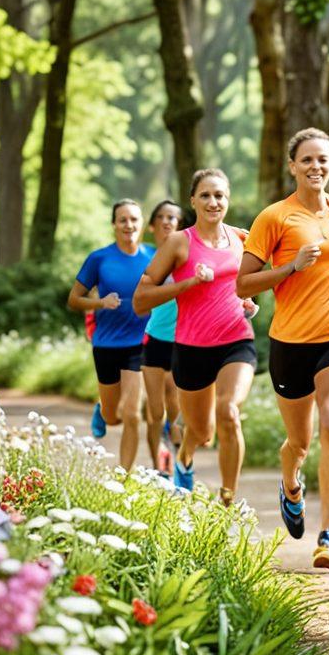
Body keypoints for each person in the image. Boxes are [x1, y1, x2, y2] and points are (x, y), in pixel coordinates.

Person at [237, 129, 329, 570]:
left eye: (323, 159)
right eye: (307, 160)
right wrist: (290, 267)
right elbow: (244, 282)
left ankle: (328, 534)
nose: (316, 167)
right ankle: (291, 483)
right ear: (292, 166)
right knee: (300, 439)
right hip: (290, 342)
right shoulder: (274, 218)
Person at [134, 170, 258, 505]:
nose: (213, 202)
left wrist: (249, 303)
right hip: (191, 347)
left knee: (229, 411)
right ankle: (184, 457)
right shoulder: (179, 243)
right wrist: (186, 285)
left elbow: (251, 284)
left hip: (237, 339)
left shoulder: (243, 239)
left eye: (219, 195)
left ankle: (227, 501)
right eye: (205, 195)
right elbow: (141, 298)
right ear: (193, 201)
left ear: (228, 199)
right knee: (202, 432)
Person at [68, 200, 154, 470]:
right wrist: (100, 303)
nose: (129, 225)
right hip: (106, 343)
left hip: (139, 343)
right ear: (114, 224)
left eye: (134, 219)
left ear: (142, 224)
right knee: (113, 416)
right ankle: (102, 409)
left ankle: (124, 478)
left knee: (131, 414)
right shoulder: (99, 258)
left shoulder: (154, 256)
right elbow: (74, 299)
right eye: (123, 220)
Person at [140, 200, 184, 475]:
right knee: (155, 412)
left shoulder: (188, 258)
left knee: (173, 398)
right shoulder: (147, 259)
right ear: (152, 225)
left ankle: (178, 461)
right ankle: (158, 468)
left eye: (173, 218)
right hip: (153, 337)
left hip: (183, 340)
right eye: (162, 217)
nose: (168, 222)